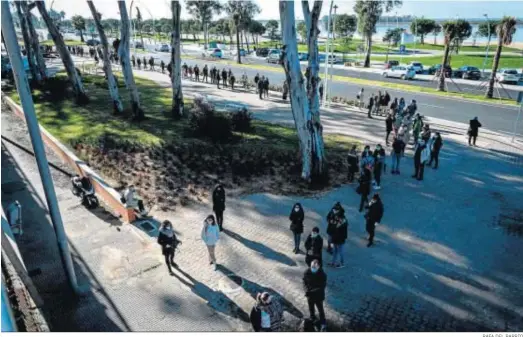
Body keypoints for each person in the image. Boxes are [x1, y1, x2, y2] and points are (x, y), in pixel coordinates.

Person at [303, 260, 327, 331]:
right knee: (311, 308)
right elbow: (304, 281)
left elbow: (321, 287)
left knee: (320, 310)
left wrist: (310, 292)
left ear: (318, 267)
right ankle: (312, 318)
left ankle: (323, 323)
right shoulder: (307, 272)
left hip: (318, 296)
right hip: (309, 296)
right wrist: (305, 290)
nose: (312, 268)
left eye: (314, 267)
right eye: (312, 266)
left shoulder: (322, 275)